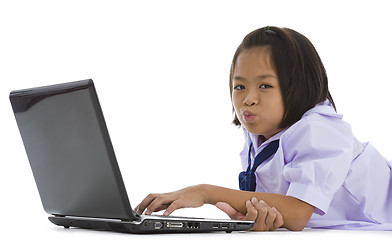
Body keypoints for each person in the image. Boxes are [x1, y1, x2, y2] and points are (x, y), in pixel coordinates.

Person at [135, 26, 392, 231]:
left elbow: (297, 212)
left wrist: (206, 192)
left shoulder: (319, 130)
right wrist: (252, 211)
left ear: (299, 86)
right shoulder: (258, 137)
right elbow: (280, 209)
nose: (248, 99)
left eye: (265, 86)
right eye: (239, 87)